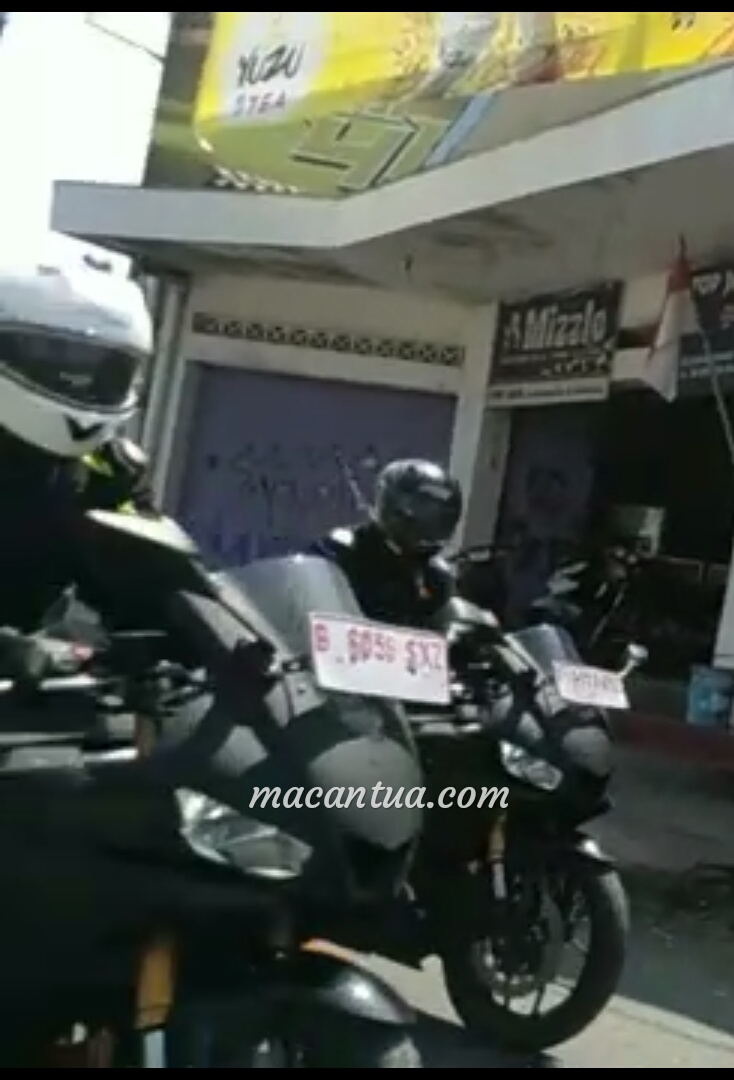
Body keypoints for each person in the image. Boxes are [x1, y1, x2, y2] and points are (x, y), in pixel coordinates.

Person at [0, 254, 155, 683]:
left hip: (26, 702)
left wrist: (207, 641)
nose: (80, 376)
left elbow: (150, 581)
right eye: (56, 354)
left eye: (105, 364)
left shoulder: (105, 471)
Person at [310, 458, 463, 627]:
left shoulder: (436, 577)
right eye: (421, 507)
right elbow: (307, 598)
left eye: (439, 514)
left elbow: (444, 630)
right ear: (391, 503)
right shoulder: (344, 549)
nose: (428, 520)